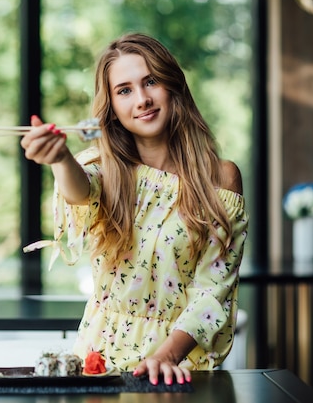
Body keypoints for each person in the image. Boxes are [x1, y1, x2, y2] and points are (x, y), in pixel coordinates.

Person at [20, 33, 249, 386]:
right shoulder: (103, 168)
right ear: (111, 105)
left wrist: (166, 356)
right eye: (124, 90)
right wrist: (61, 158)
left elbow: (213, 289)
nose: (142, 99)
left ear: (173, 85)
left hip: (175, 372)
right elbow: (81, 191)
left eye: (151, 81)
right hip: (98, 370)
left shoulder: (221, 177)